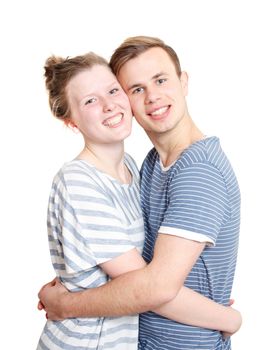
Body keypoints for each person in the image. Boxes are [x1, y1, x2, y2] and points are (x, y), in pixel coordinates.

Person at [38, 38, 242, 350]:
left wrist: (223, 315)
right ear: (71, 121)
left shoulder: (195, 171)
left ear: (183, 81)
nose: (152, 97)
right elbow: (150, 280)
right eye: (136, 88)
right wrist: (219, 314)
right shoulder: (140, 167)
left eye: (160, 80)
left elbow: (155, 285)